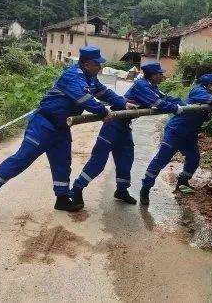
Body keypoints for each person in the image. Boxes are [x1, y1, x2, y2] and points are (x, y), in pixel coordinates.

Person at [0, 46, 134, 212]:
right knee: (22, 159)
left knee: (62, 164)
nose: (99, 67)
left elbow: (104, 93)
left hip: (62, 128)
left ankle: (63, 199)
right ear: (86, 64)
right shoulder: (73, 76)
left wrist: (123, 103)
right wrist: (103, 112)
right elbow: (84, 99)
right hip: (43, 125)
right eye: (97, 64)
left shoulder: (91, 78)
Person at [71, 61, 182, 207]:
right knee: (98, 161)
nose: (163, 76)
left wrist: (184, 104)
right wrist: (176, 109)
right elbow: (159, 104)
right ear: (153, 75)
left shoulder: (152, 87)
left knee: (126, 159)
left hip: (125, 126)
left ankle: (121, 190)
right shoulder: (142, 86)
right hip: (113, 124)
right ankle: (77, 189)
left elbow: (166, 98)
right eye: (160, 74)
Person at [139, 73, 212, 206]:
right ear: (205, 85)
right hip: (176, 131)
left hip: (190, 134)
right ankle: (145, 189)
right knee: (162, 159)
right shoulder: (198, 90)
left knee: (194, 158)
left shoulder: (209, 95)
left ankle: (182, 182)